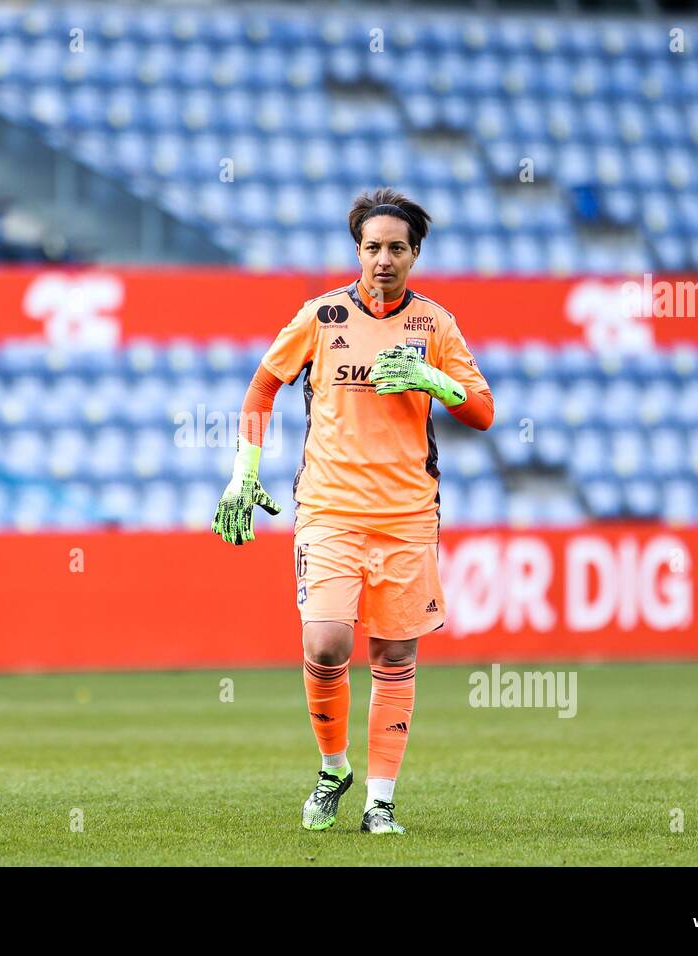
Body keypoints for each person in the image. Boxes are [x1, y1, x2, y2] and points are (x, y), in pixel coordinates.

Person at [211, 187, 494, 834]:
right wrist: (243, 473)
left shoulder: (435, 325)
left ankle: (380, 802)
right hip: (329, 510)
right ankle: (334, 766)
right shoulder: (321, 316)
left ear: (416, 253)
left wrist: (433, 380)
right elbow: (262, 386)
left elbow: (482, 412)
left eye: (397, 248)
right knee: (327, 640)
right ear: (357, 252)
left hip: (406, 516)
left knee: (394, 656)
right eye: (373, 248)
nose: (384, 259)